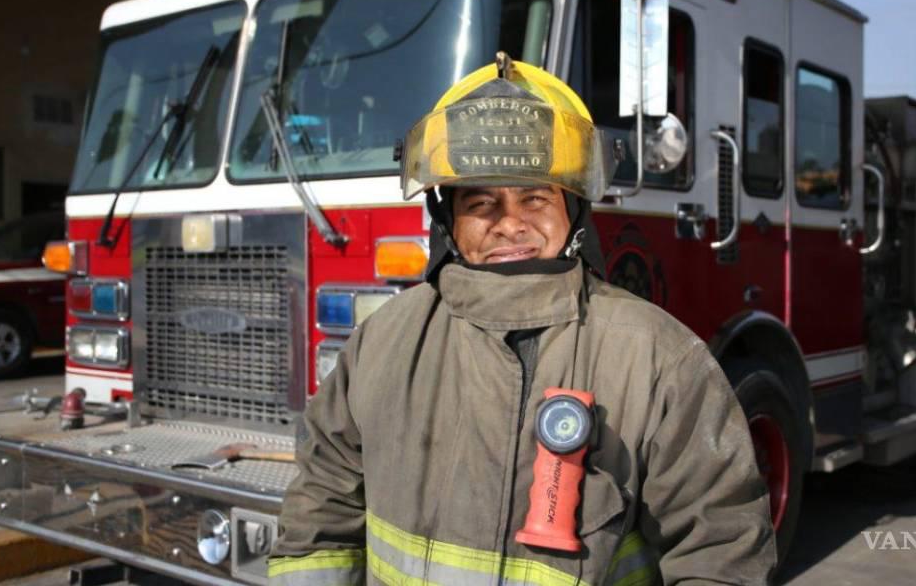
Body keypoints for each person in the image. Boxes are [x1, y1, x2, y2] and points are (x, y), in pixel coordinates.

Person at [269, 54, 775, 585]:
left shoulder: (661, 361)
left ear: (572, 210)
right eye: (481, 203)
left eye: (534, 197)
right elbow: (320, 514)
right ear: (447, 219)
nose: (510, 224)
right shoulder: (382, 343)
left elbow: (720, 552)